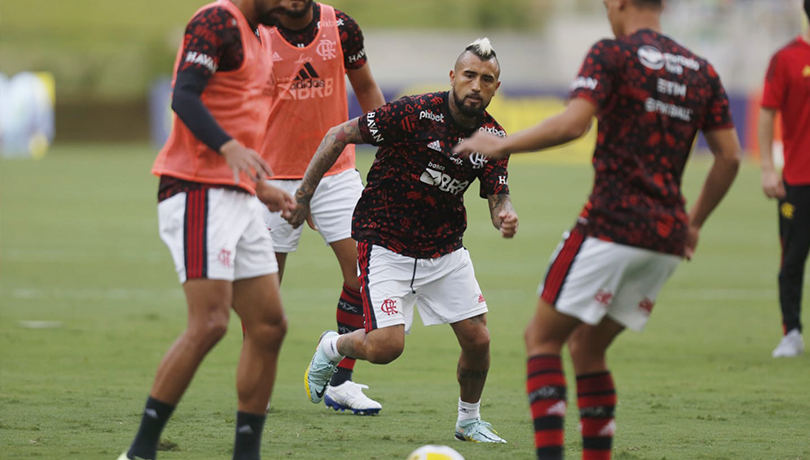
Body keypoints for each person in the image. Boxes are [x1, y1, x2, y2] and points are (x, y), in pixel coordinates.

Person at [453, 1, 741, 459]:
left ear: (620, 3)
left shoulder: (612, 53)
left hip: (612, 224)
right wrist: (694, 223)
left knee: (541, 339)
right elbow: (730, 157)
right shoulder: (701, 70)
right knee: (587, 348)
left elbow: (574, 123)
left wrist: (501, 143)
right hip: (665, 238)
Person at [296, 38, 517, 443]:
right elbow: (338, 134)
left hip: (444, 248)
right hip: (385, 240)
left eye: (486, 79)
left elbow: (497, 193)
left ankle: (469, 421)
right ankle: (333, 346)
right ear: (453, 76)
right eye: (469, 75)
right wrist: (303, 195)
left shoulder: (493, 137)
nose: (476, 85)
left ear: (495, 88)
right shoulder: (414, 112)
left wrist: (504, 212)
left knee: (479, 340)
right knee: (385, 347)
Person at [117, 1, 295, 459]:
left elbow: (232, 112)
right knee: (211, 323)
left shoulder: (259, 35)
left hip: (237, 196)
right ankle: (139, 452)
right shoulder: (216, 20)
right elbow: (184, 96)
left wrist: (261, 187)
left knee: (269, 325)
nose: (297, 5)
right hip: (197, 191)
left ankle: (245, 455)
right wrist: (229, 148)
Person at [259, 0, 386, 414]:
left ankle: (340, 380)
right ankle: (258, 385)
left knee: (363, 275)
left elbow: (365, 88)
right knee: (263, 293)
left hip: (335, 172)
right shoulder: (258, 31)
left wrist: (388, 150)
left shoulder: (342, 27)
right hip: (272, 176)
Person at [758, 0, 810, 359]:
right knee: (792, 260)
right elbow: (766, 113)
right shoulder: (787, 58)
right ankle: (791, 332)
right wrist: (767, 167)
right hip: (798, 179)